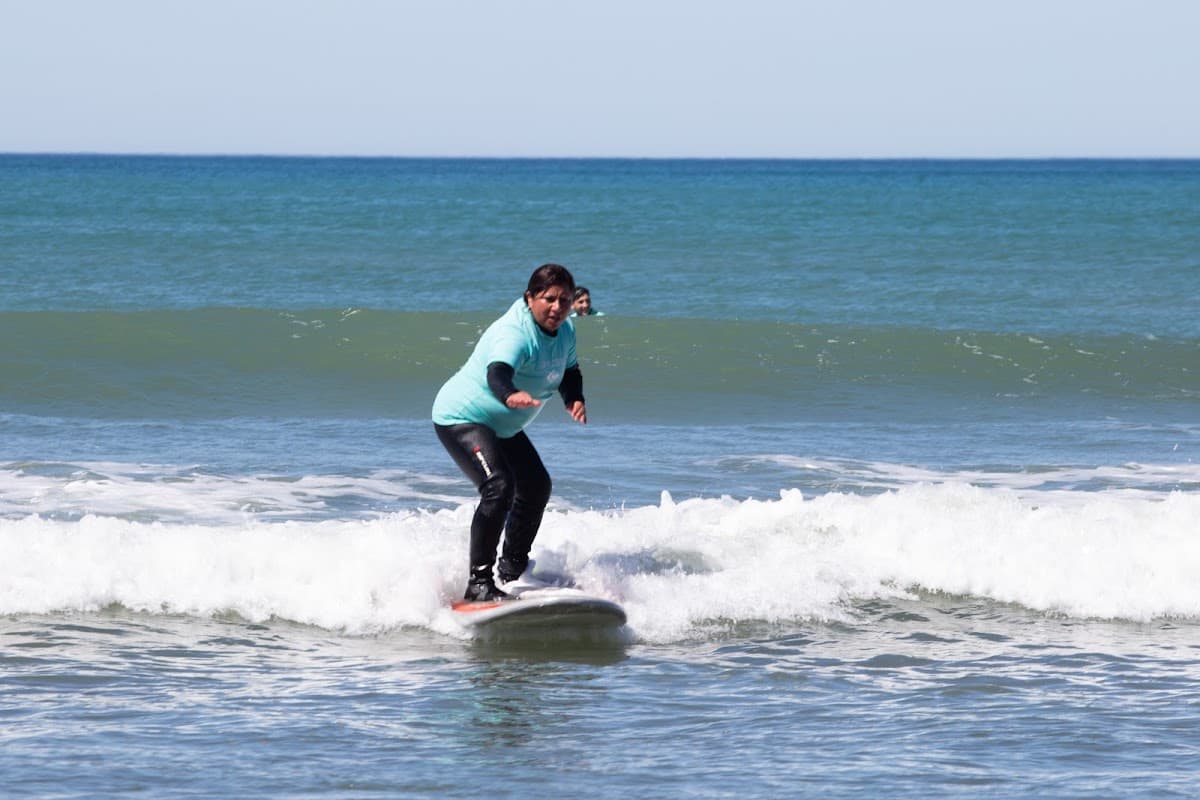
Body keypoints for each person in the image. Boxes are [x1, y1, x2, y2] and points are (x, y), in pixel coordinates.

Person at [432, 264, 588, 602]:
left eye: (565, 300)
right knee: (499, 487)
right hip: (462, 417)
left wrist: (573, 397)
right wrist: (508, 394)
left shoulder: (566, 332)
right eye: (548, 299)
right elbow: (498, 372)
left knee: (536, 486)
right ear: (529, 298)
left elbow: (570, 370)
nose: (557, 308)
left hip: (503, 426)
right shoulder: (514, 333)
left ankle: (513, 570)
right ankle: (479, 584)